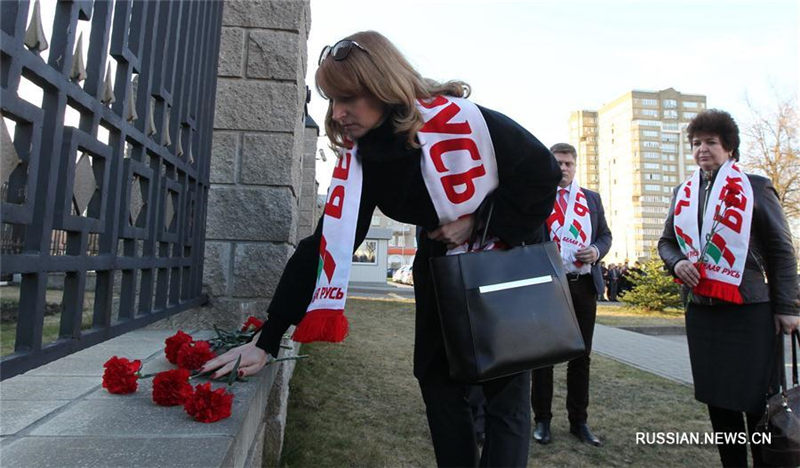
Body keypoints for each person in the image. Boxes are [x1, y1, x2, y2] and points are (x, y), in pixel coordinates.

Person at [201, 31, 560, 467]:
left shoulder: (463, 118)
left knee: (506, 388)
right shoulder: (365, 156)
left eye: (347, 98)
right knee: (436, 378)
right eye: (331, 100)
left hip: (507, 255)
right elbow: (328, 243)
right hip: (442, 266)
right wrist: (268, 338)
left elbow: (542, 172)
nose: (338, 113)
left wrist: (476, 222)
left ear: (382, 86)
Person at [658, 109, 800, 467]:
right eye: (696, 143)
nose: (702, 149)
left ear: (730, 148)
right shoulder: (684, 192)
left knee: (755, 402)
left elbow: (782, 249)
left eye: (711, 142)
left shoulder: (754, 187)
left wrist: (789, 306)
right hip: (703, 313)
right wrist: (677, 263)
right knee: (718, 401)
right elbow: (666, 242)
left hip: (748, 310)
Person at [531, 143, 612, 447]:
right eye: (558, 163)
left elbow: (605, 235)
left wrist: (597, 250)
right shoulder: (539, 195)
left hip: (582, 285)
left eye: (568, 163)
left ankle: (579, 421)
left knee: (581, 355)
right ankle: (542, 420)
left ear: (575, 166)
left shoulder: (590, 199)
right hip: (547, 284)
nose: (563, 168)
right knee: (544, 356)